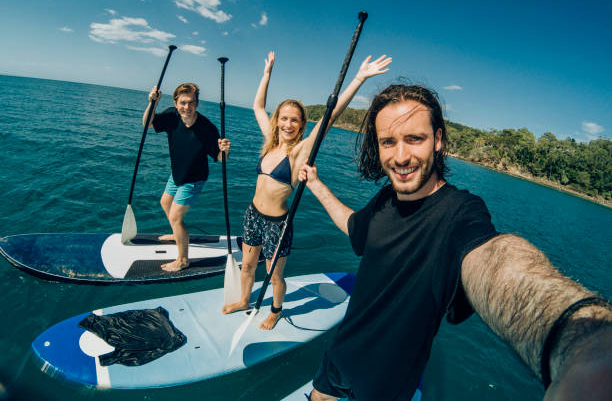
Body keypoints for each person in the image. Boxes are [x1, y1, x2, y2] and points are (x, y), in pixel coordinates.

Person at [298, 84, 612, 400]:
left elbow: (494, 263)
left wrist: (578, 343)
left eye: (414, 139)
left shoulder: (461, 212)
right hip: (341, 353)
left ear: (437, 140)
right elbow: (355, 229)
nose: (401, 156)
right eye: (388, 142)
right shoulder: (385, 199)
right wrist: (315, 184)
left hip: (386, 382)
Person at [222, 51, 392, 330]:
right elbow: (257, 106)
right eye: (284, 118)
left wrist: (359, 77)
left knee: (274, 275)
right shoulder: (270, 142)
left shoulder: (300, 151)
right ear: (277, 120)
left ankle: (276, 310)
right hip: (252, 215)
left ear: (302, 125)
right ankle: (244, 300)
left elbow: (330, 116)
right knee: (247, 266)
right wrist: (266, 75)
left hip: (277, 224)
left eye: (295, 120)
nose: (288, 124)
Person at [144, 82, 230, 272]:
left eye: (191, 102)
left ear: (197, 103)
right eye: (183, 102)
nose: (187, 107)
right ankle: (177, 234)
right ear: (176, 103)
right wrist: (153, 103)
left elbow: (219, 158)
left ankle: (183, 260)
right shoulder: (172, 116)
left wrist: (224, 151)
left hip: (194, 178)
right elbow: (148, 123)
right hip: (177, 173)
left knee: (175, 216)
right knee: (165, 203)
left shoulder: (207, 128)